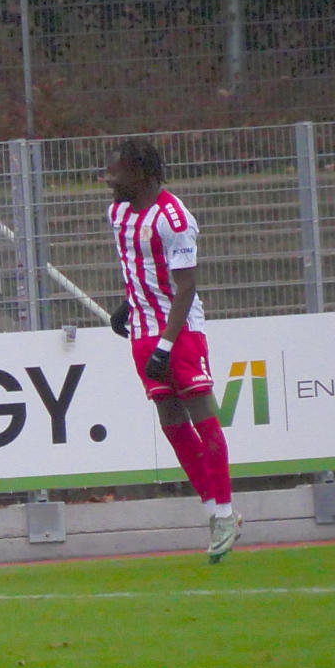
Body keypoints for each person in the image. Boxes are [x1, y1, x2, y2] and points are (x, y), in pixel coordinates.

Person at [104, 138, 240, 563]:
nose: (109, 180)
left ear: (141, 174)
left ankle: (225, 512)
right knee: (171, 422)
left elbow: (186, 286)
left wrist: (166, 344)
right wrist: (127, 305)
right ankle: (213, 512)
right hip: (142, 330)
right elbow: (141, 268)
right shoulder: (118, 214)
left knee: (203, 416)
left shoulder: (174, 218)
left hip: (178, 331)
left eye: (116, 173)